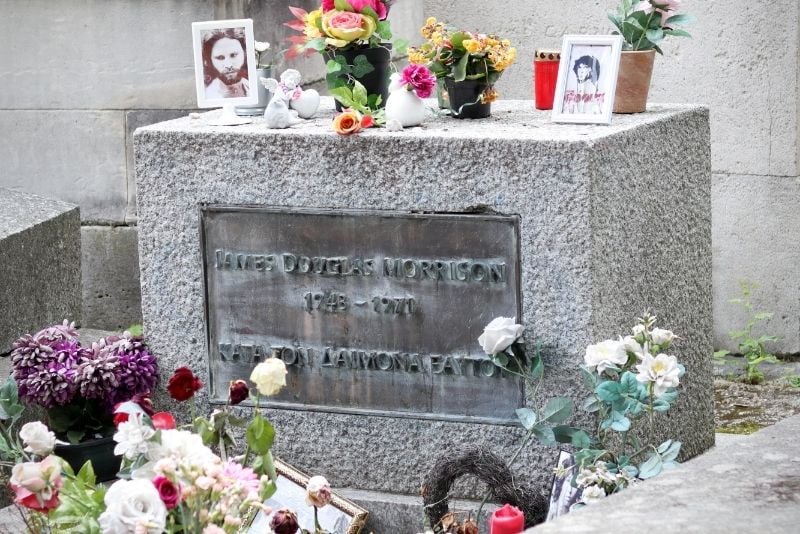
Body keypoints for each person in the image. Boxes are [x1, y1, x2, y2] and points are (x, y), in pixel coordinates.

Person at [202, 28, 250, 99]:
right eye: (220, 58)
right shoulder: (208, 96)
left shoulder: (252, 87)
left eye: (233, 55)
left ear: (244, 54)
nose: (228, 65)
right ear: (210, 60)